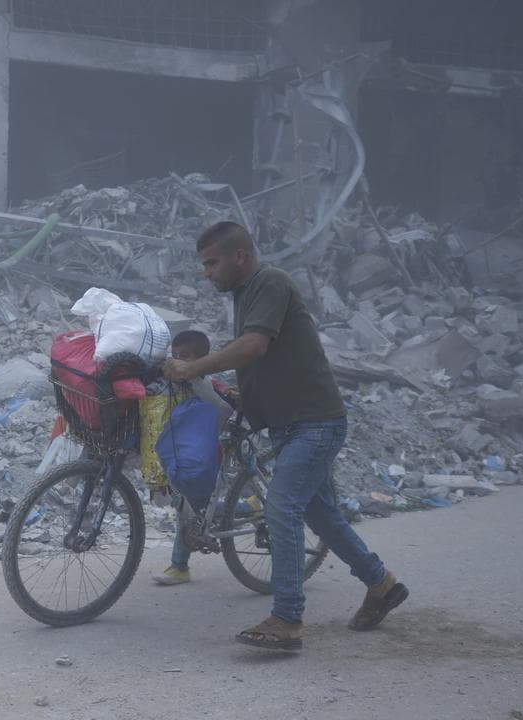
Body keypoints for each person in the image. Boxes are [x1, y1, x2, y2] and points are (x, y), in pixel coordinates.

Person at [163, 221, 408, 652]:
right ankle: (381, 584)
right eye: (204, 265)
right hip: (294, 422)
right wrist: (246, 393)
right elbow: (267, 356)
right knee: (323, 517)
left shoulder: (270, 281)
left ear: (240, 256)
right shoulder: (247, 293)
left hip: (314, 422)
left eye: (212, 262)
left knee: (281, 508)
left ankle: (287, 618)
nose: (207, 273)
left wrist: (193, 368)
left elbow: (254, 347)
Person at [151, 330, 232, 586]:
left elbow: (222, 409)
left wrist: (193, 375)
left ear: (201, 360)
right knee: (191, 509)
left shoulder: (204, 384)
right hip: (178, 456)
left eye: (184, 357)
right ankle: (248, 506)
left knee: (189, 510)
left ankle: (179, 566)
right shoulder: (173, 385)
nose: (177, 361)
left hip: (202, 459)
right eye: (173, 356)